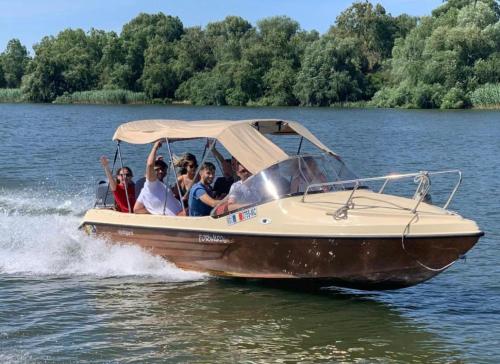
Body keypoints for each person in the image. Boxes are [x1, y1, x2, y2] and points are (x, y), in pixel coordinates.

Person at [134, 141, 182, 216]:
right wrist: (155, 148)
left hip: (179, 213)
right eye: (157, 169)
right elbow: (150, 165)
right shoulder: (151, 184)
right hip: (174, 218)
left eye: (163, 169)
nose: (160, 171)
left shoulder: (160, 185)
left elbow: (137, 209)